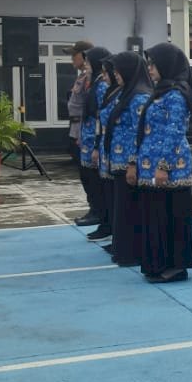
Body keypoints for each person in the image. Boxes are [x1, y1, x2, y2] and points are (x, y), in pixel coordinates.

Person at [136, 42, 192, 283]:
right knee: (156, 216)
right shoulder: (160, 92)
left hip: (171, 167)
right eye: (149, 64)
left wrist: (164, 166)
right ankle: (156, 262)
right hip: (151, 165)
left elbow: (174, 133)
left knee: (171, 216)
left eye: (153, 64)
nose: (150, 69)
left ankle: (175, 265)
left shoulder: (176, 95)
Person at [106, 51, 153, 267]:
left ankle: (133, 252)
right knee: (122, 208)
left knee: (130, 209)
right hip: (119, 160)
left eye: (117, 70)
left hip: (130, 163)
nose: (115, 74)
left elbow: (140, 133)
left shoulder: (139, 97)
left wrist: (133, 163)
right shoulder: (125, 93)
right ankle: (123, 251)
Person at [75, 46, 112, 228]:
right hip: (87, 137)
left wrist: (97, 144)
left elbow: (101, 115)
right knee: (86, 176)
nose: (85, 65)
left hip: (95, 140)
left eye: (88, 61)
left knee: (94, 179)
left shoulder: (102, 84)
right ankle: (94, 210)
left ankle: (99, 212)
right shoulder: (92, 81)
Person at [88, 57, 122, 243]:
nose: (104, 76)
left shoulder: (123, 94)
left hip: (118, 152)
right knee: (106, 192)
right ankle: (108, 227)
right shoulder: (110, 92)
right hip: (106, 147)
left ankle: (116, 234)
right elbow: (101, 122)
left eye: (106, 72)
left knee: (115, 195)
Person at [64, 40, 95, 205]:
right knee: (83, 173)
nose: (71, 59)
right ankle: (93, 207)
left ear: (84, 55)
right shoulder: (82, 77)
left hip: (83, 131)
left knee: (88, 173)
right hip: (75, 129)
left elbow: (89, 109)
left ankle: (95, 208)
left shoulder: (90, 79)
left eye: (73, 55)